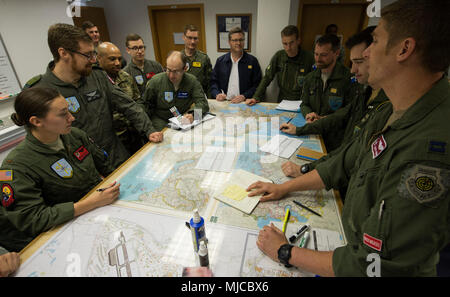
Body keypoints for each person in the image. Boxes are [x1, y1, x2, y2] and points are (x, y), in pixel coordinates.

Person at [246, 0, 450, 276]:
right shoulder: (390, 108)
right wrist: (284, 188)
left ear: (404, 49)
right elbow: (343, 161)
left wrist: (286, 251)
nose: (366, 53)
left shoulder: (428, 149)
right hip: (351, 236)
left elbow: (376, 265)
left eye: (375, 41)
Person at [24, 24, 162, 169]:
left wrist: (149, 130)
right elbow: (39, 142)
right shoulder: (39, 90)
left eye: (93, 54)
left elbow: (128, 105)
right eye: (87, 55)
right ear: (63, 53)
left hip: (115, 155)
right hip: (81, 165)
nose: (93, 60)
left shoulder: (97, 76)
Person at [0, 87, 121, 252]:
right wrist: (90, 203)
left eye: (68, 111)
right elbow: (32, 220)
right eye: (63, 114)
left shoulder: (75, 136)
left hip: (102, 211)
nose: (72, 117)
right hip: (66, 233)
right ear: (36, 121)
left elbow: (106, 167)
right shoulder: (14, 167)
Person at [281, 26, 389, 181]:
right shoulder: (365, 94)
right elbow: (305, 103)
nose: (353, 70)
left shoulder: (354, 83)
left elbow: (341, 118)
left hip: (335, 145)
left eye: (323, 55)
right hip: (324, 144)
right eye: (316, 54)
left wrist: (305, 169)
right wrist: (308, 118)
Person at [138, 51, 209, 131]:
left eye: (176, 71)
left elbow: (203, 104)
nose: (171, 75)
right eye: (168, 70)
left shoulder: (192, 81)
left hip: (183, 120)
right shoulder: (155, 81)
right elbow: (144, 104)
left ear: (185, 69)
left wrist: (193, 115)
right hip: (161, 120)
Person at [246, 25, 314, 106]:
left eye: (291, 43)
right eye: (285, 44)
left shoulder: (309, 57)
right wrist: (256, 97)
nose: (288, 48)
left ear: (298, 41)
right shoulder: (279, 56)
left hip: (302, 102)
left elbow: (315, 83)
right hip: (283, 101)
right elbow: (267, 77)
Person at [97, 42, 143, 154]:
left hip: (134, 133)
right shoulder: (95, 82)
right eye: (112, 59)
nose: (117, 63)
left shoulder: (126, 77)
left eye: (119, 59)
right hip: (114, 139)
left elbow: (137, 101)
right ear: (99, 58)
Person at [210, 26, 262, 103]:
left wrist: (244, 96)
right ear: (229, 42)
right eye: (235, 40)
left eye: (241, 40)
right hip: (224, 102)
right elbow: (213, 82)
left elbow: (258, 85)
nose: (238, 43)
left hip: (244, 102)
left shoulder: (252, 61)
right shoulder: (221, 61)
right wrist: (217, 94)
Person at [181, 24, 213, 98]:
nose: (192, 41)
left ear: (198, 39)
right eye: (189, 38)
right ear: (183, 37)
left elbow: (209, 82)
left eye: (195, 38)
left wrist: (210, 100)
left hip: (199, 97)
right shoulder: (178, 58)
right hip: (182, 97)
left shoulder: (204, 58)